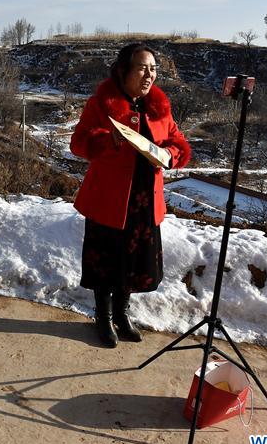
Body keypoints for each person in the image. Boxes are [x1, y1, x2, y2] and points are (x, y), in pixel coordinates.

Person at [70, 43, 191, 348]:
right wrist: (107, 139)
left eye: (153, 68)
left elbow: (178, 141)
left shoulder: (159, 107)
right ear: (124, 70)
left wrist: (169, 154)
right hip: (110, 200)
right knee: (107, 261)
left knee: (133, 262)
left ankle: (122, 314)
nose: (149, 74)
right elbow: (79, 143)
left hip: (144, 200)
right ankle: (103, 317)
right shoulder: (101, 104)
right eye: (142, 67)